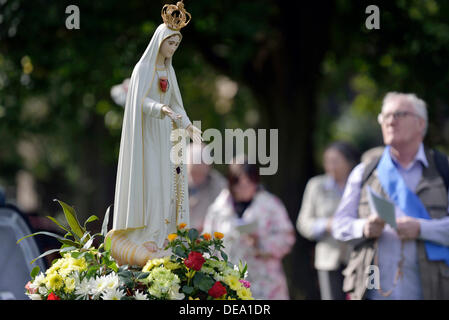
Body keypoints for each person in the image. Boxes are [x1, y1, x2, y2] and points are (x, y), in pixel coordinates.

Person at [109, 1, 202, 266]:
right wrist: (159, 107)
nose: (173, 49)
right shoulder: (142, 69)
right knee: (151, 184)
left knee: (166, 186)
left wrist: (187, 125)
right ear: (159, 41)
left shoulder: (169, 71)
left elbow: (177, 105)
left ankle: (164, 237)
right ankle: (146, 234)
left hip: (167, 136)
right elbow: (139, 102)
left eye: (176, 45)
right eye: (170, 43)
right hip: (147, 136)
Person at [332, 92, 449, 300]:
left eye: (399, 114)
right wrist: (364, 227)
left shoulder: (443, 169)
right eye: (385, 116)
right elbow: (339, 225)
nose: (390, 122)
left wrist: (422, 229)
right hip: (373, 291)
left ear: (421, 124)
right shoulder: (364, 172)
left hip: (433, 290)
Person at [203, 159, 296, 299]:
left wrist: (261, 243)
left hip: (266, 284)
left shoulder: (271, 205)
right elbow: (207, 242)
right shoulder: (219, 209)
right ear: (231, 183)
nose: (244, 189)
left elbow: (287, 238)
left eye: (248, 184)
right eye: (238, 185)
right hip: (230, 281)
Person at [296, 141, 359, 300]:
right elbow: (303, 222)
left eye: (336, 161)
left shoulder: (359, 184)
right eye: (327, 161)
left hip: (356, 256)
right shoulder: (316, 186)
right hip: (328, 258)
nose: (330, 166)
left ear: (349, 162)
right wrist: (326, 224)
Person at [186, 143, 227, 232]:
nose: (196, 179)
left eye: (201, 174)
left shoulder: (219, 186)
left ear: (209, 167)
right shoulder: (175, 184)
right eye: (193, 173)